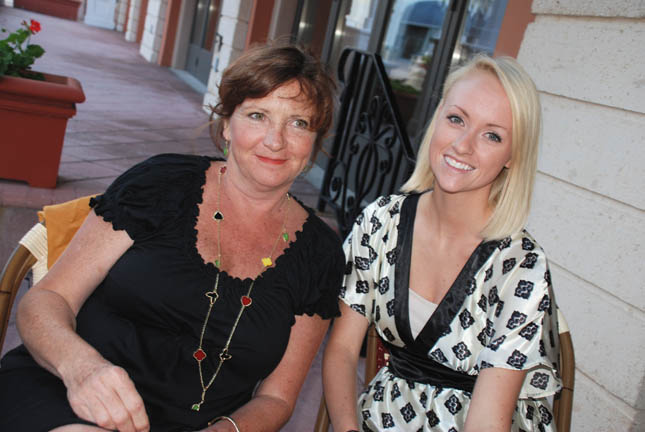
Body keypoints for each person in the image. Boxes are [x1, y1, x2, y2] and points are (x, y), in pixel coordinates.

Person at [0, 42, 344, 432]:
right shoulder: (160, 185)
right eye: (257, 115)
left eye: (298, 123)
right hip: (66, 395)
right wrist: (81, 368)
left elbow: (277, 398)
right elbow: (48, 299)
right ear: (227, 124)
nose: (275, 140)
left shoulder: (320, 254)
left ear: (314, 141)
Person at [322, 54, 562, 432]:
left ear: (513, 156)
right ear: (437, 120)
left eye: (492, 135)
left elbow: (488, 421)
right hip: (385, 415)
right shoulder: (381, 222)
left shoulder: (520, 265)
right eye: (456, 119)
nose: (463, 145)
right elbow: (342, 349)